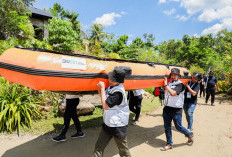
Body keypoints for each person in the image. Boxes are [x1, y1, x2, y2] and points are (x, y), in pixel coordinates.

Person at [93, 66, 131, 157]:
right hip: (108, 124)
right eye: (110, 78)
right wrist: (100, 89)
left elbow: (105, 105)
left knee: (123, 151)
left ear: (119, 81)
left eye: (113, 79)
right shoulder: (111, 87)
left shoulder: (118, 92)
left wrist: (102, 88)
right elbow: (104, 98)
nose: (110, 80)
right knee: (98, 147)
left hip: (118, 126)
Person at [161, 68, 194, 151]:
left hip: (176, 110)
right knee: (167, 127)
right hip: (167, 108)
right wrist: (163, 84)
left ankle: (189, 134)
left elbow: (173, 93)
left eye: (175, 75)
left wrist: (165, 85)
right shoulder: (169, 83)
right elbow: (166, 89)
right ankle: (169, 144)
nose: (173, 76)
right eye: (172, 75)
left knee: (178, 127)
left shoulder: (180, 85)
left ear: (179, 76)